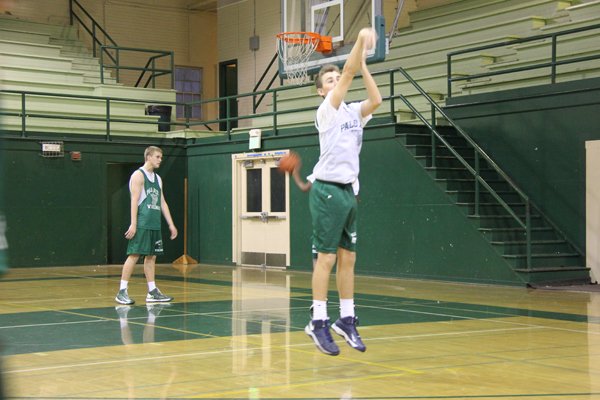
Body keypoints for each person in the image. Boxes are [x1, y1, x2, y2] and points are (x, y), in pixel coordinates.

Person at [304, 27, 382, 356]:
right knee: (327, 258)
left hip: (349, 192)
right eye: (330, 80)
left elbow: (376, 100)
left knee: (348, 259)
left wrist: (364, 63)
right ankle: (318, 321)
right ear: (322, 92)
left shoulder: (352, 113)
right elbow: (348, 72)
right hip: (327, 191)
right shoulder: (327, 112)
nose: (336, 80)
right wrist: (361, 40)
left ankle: (346, 318)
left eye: (337, 76)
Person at [115, 146, 178, 305]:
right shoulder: (138, 175)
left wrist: (171, 224)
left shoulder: (157, 179)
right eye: (157, 157)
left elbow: (162, 202)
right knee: (134, 254)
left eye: (161, 157)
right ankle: (121, 291)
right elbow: (134, 201)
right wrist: (134, 224)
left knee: (151, 257)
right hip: (142, 222)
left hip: (154, 223)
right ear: (148, 157)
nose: (160, 160)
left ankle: (152, 291)